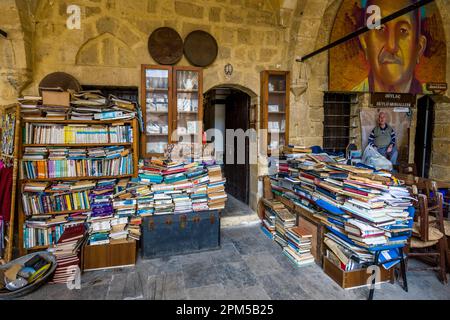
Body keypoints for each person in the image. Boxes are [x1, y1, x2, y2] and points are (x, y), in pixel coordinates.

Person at [352, 0, 430, 94]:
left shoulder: (430, 98)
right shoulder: (350, 100)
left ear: (419, 47)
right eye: (380, 28)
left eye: (403, 31)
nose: (391, 46)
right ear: (365, 41)